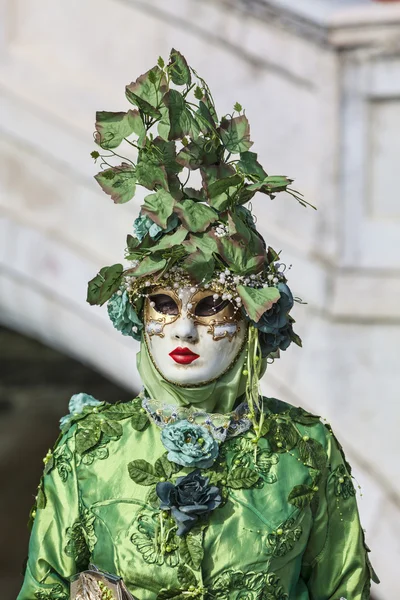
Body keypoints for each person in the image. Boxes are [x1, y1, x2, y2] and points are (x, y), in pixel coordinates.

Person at [17, 49, 378, 600]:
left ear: (255, 318)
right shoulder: (89, 448)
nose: (183, 332)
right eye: (163, 305)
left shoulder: (305, 450)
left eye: (212, 306)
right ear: (138, 315)